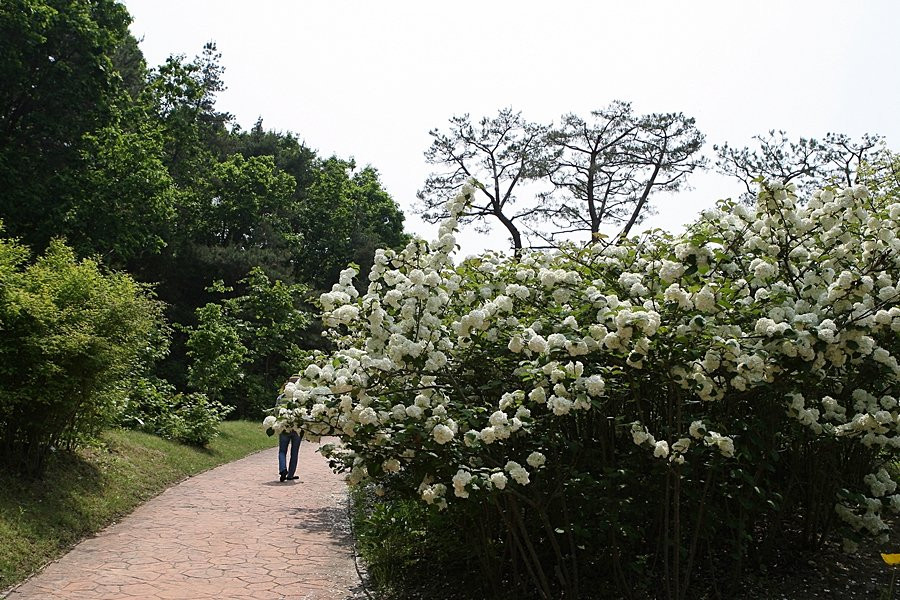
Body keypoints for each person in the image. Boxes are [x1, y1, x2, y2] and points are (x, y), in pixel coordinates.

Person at [276, 376, 302, 482]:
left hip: (283, 427)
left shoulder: (281, 398)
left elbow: (276, 411)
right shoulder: (300, 397)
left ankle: (283, 469)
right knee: (294, 452)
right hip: (296, 428)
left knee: (282, 451)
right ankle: (290, 475)